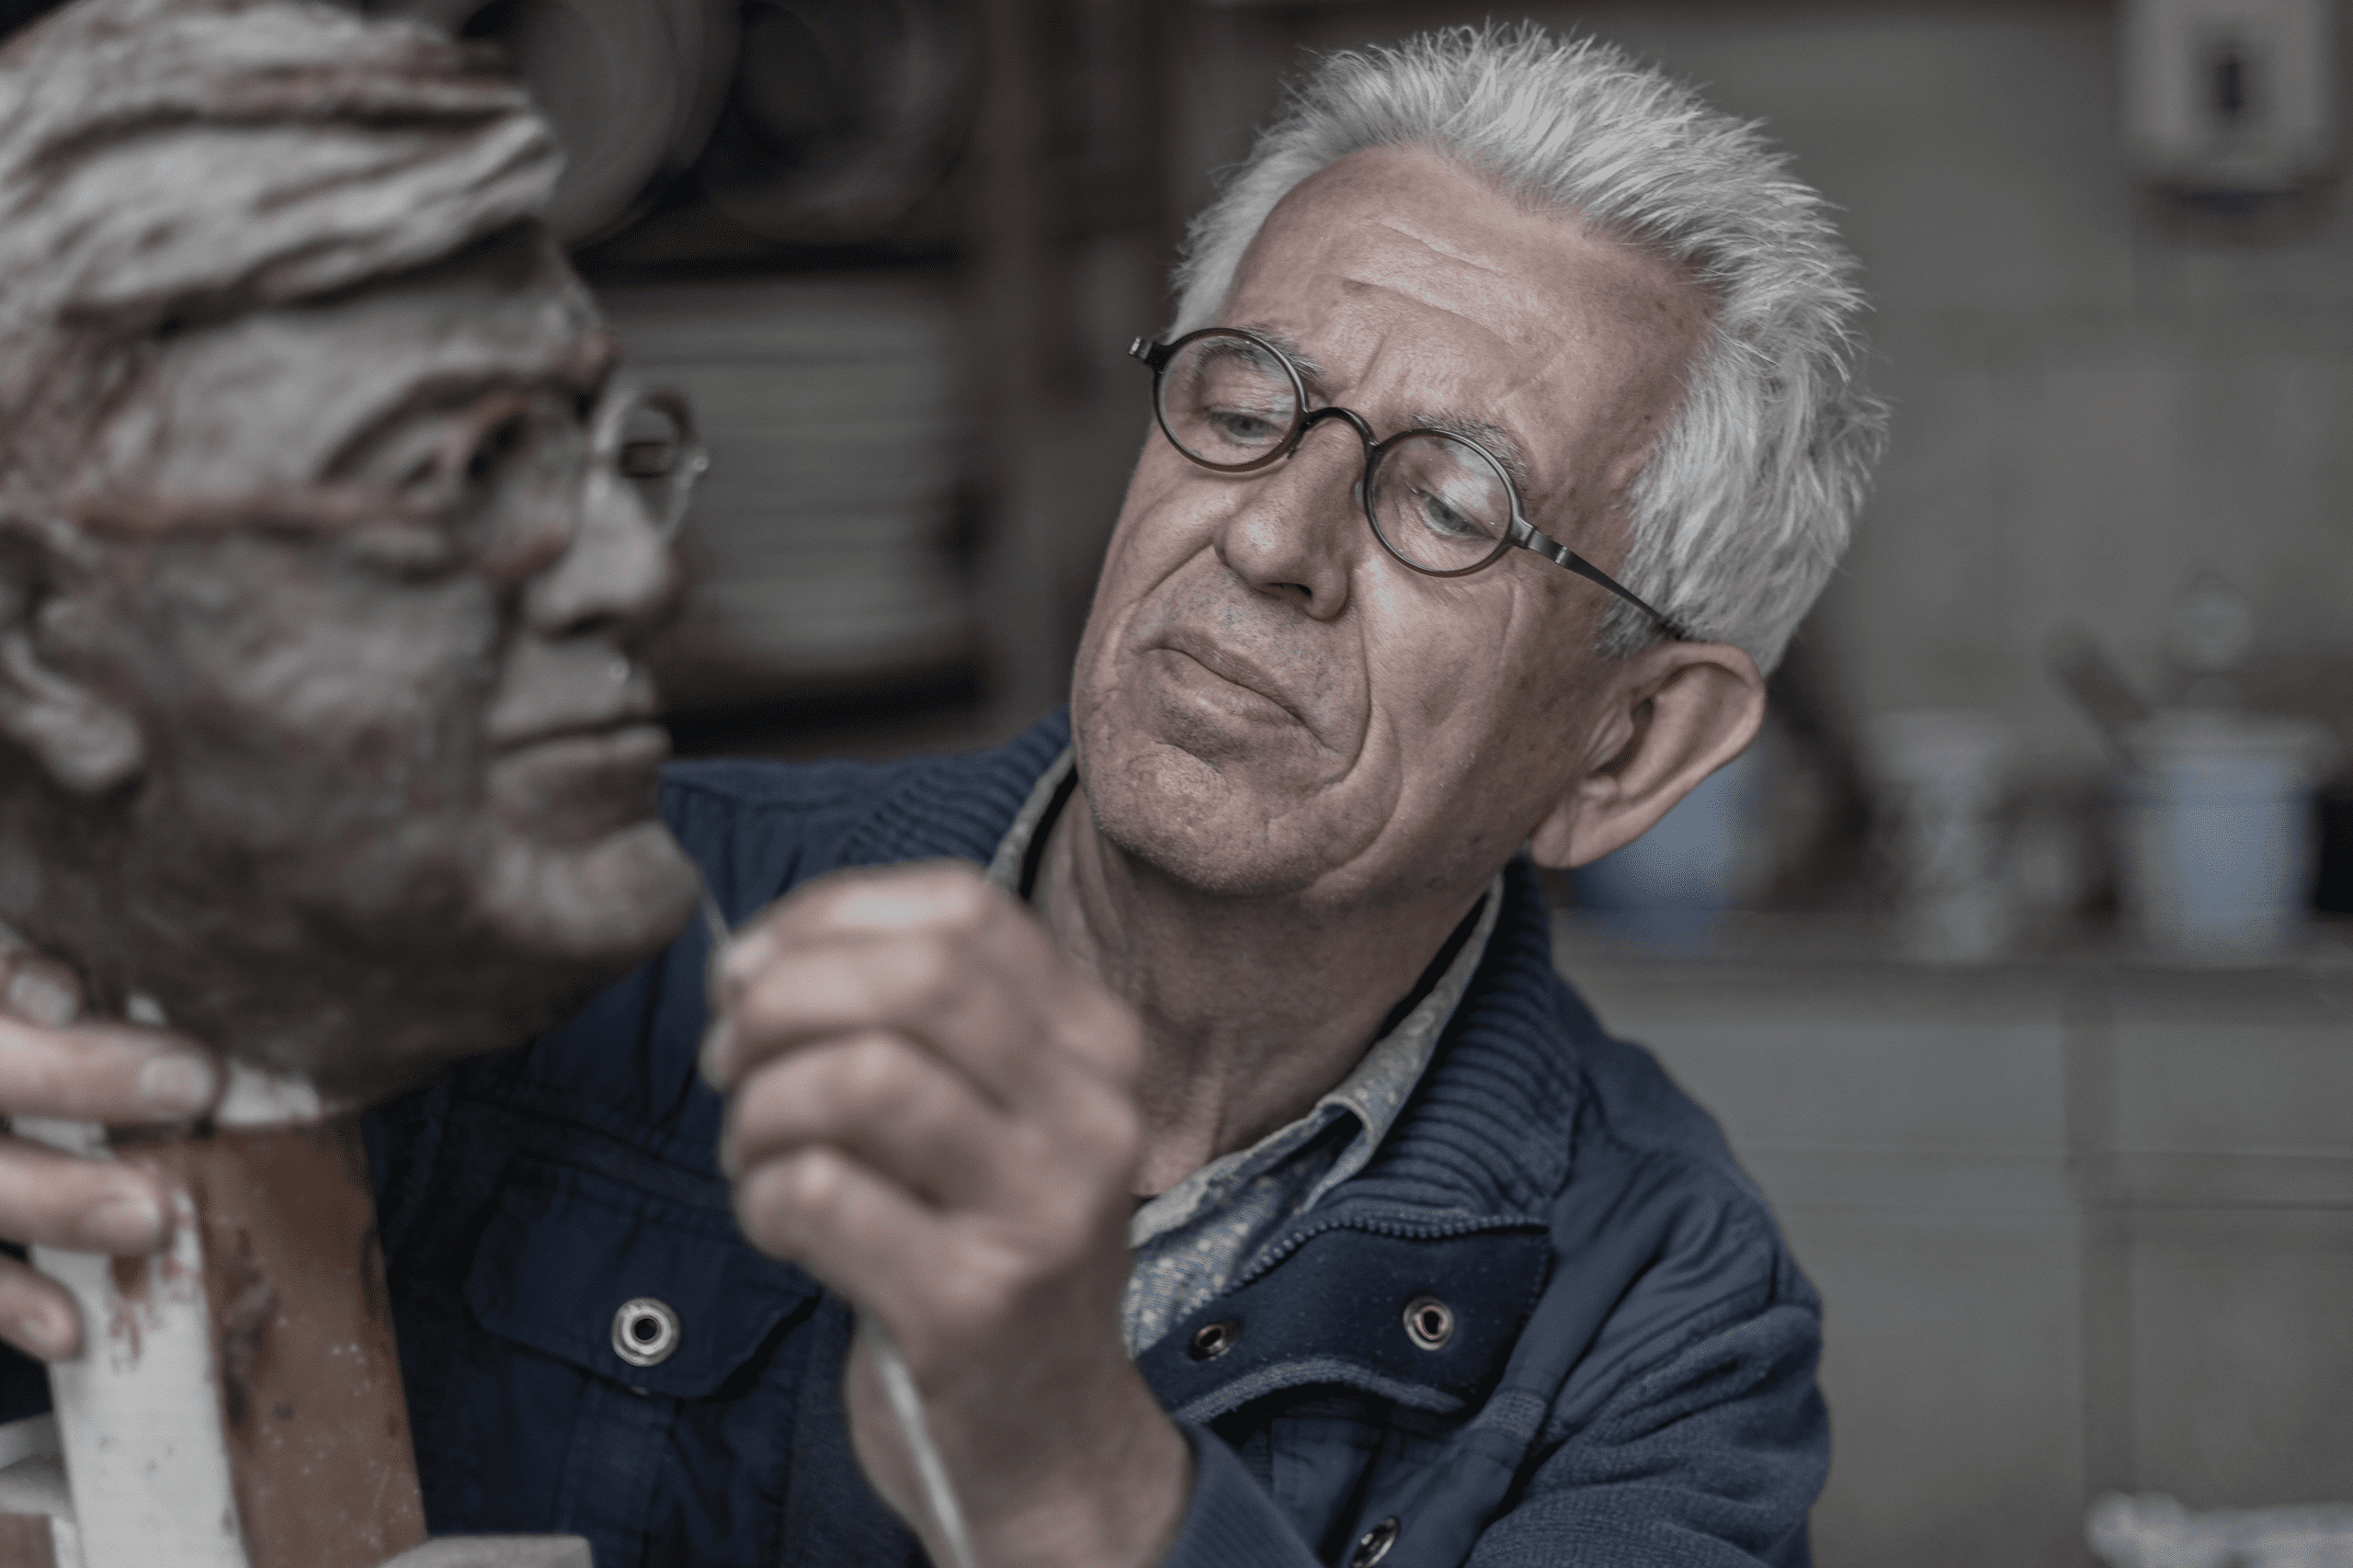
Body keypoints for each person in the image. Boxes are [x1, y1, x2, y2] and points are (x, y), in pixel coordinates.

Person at [0, 8, 1884, 1568]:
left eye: (1451, 504)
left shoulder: (1665, 1329)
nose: (1269, 539)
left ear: (1629, 745)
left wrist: (1067, 1468)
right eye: (1243, 403)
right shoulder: (560, 930)